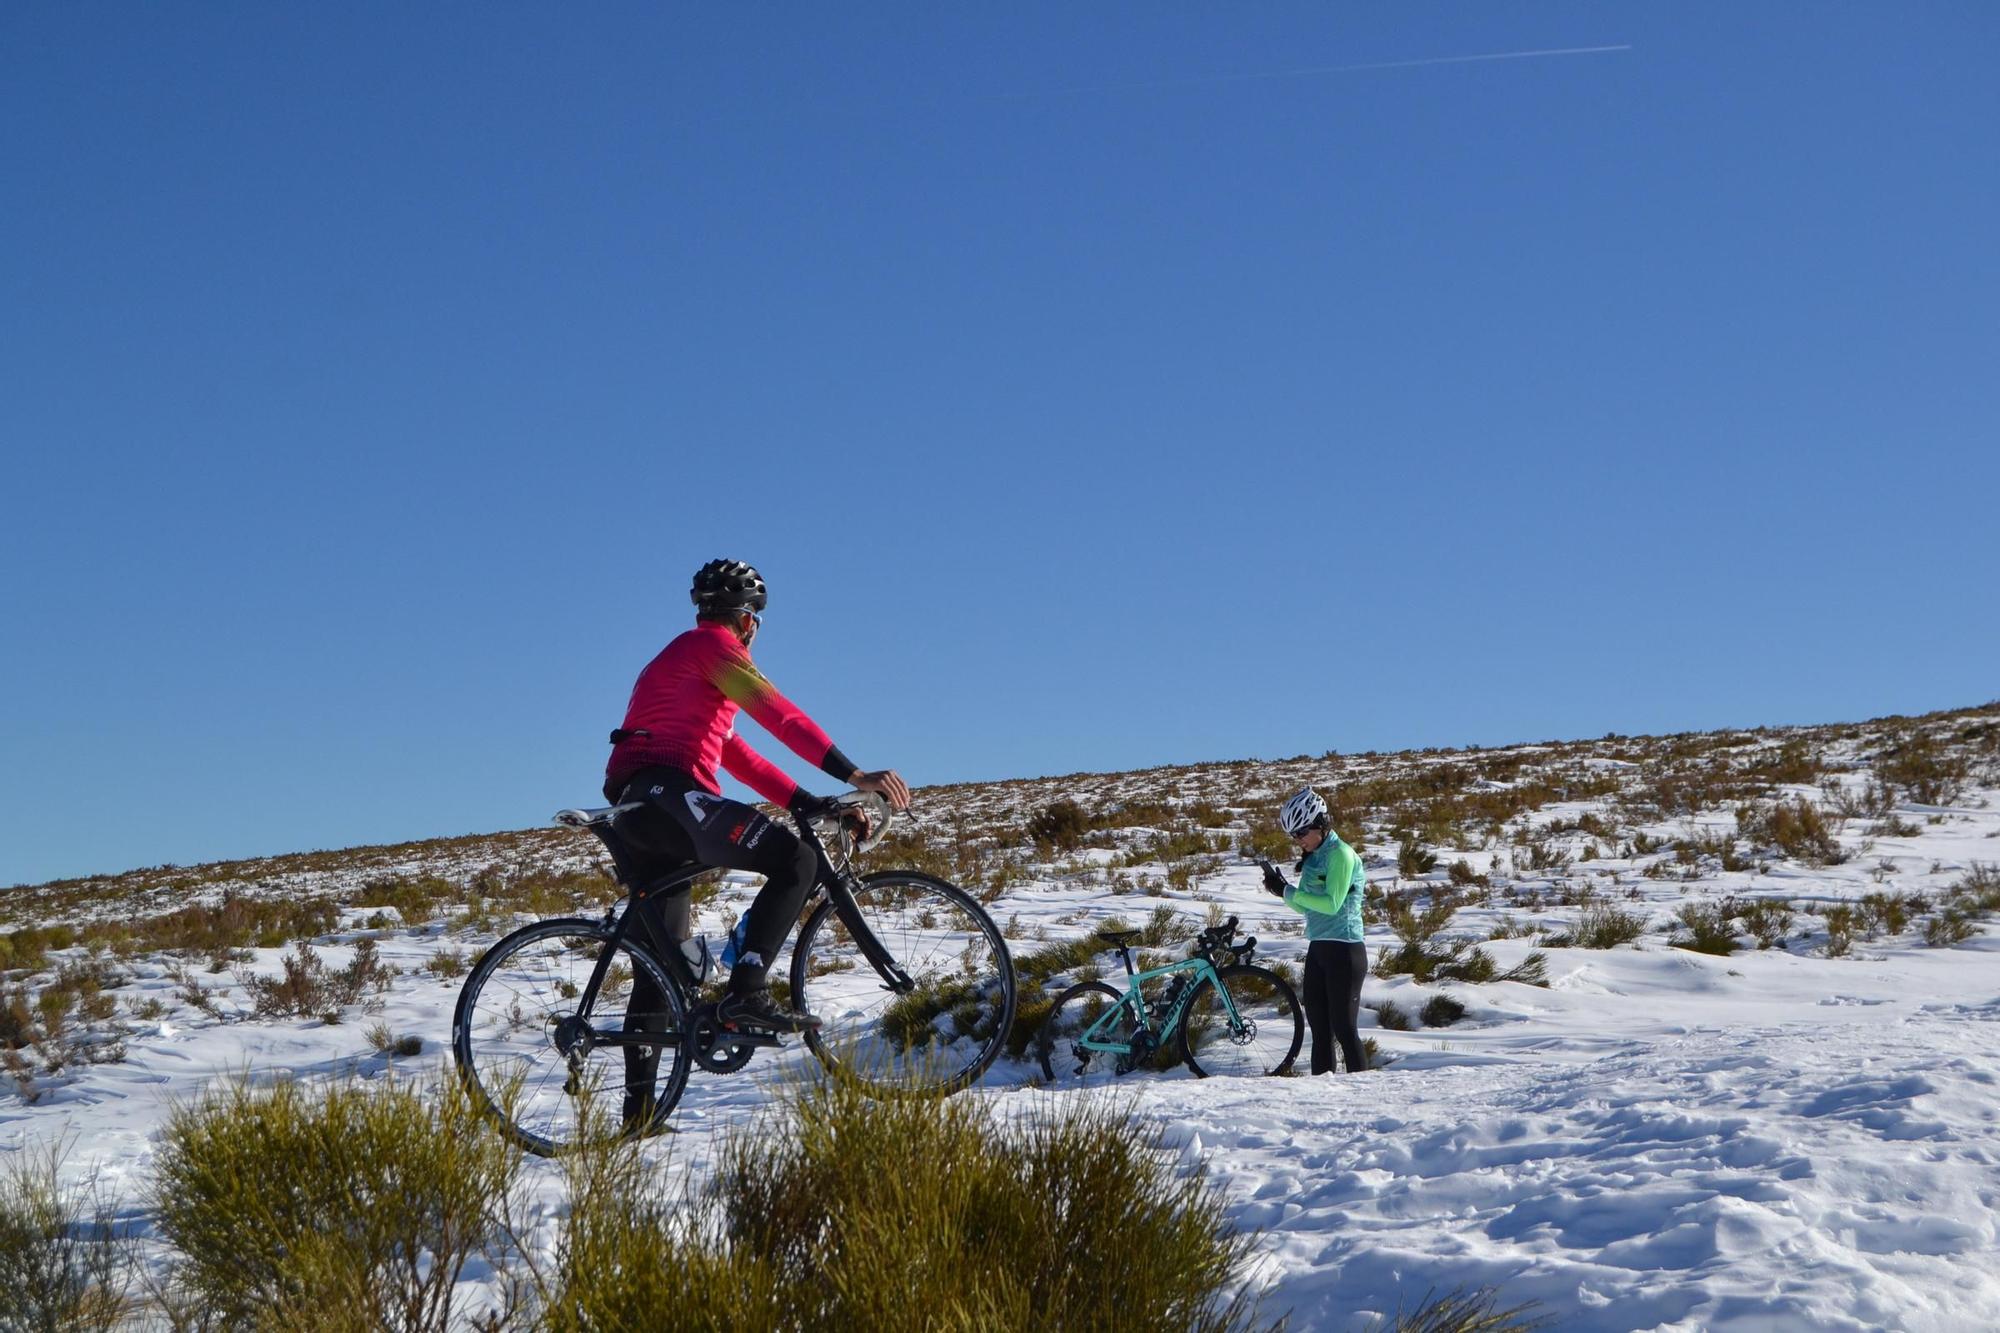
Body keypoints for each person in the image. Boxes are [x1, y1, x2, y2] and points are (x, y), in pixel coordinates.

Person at [601, 558, 911, 1067]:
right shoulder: (714, 649)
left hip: (641, 806)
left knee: (659, 968)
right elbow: (778, 714)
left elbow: (732, 751)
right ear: (747, 620)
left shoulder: (679, 661)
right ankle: (746, 990)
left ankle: (638, 1120)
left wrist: (804, 801)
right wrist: (855, 776)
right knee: (797, 862)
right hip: (668, 795)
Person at [1261, 787, 1368, 1074]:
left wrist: (1289, 891)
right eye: (1293, 835)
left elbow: (1332, 904)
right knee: (1320, 1033)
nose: (1298, 840)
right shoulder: (1313, 858)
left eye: (1301, 832)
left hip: (1345, 949)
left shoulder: (1341, 855)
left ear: (1320, 824)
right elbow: (1309, 908)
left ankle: (1367, 1098)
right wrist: (1281, 892)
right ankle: (1322, 1100)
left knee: (1345, 1030)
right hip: (1319, 948)